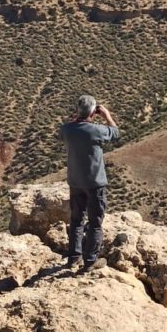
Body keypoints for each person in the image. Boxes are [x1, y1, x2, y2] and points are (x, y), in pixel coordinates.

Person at [59, 94, 119, 271]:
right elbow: (115, 133)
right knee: (94, 223)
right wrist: (107, 115)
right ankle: (90, 261)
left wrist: (76, 118)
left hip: (75, 182)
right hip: (95, 183)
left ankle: (73, 258)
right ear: (93, 112)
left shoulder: (67, 129)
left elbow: (64, 131)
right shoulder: (97, 130)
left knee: (76, 220)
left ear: (76, 111)